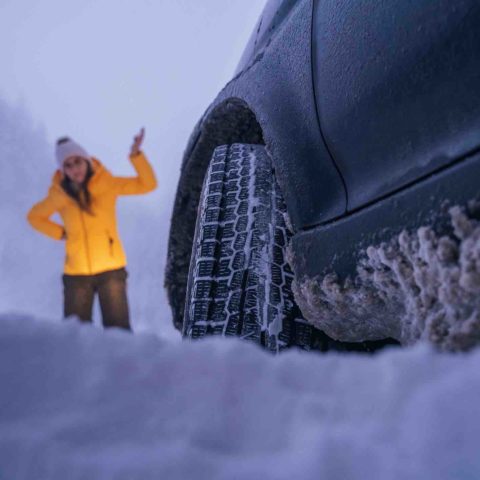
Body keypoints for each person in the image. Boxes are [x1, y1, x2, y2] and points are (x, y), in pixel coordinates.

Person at [27, 128, 157, 330]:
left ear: (86, 161)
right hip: (76, 275)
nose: (74, 168)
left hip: (111, 271)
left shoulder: (107, 184)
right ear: (63, 170)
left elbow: (148, 184)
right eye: (67, 165)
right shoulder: (59, 195)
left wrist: (135, 155)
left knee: (118, 334)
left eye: (77, 161)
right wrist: (60, 233)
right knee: (75, 336)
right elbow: (34, 216)